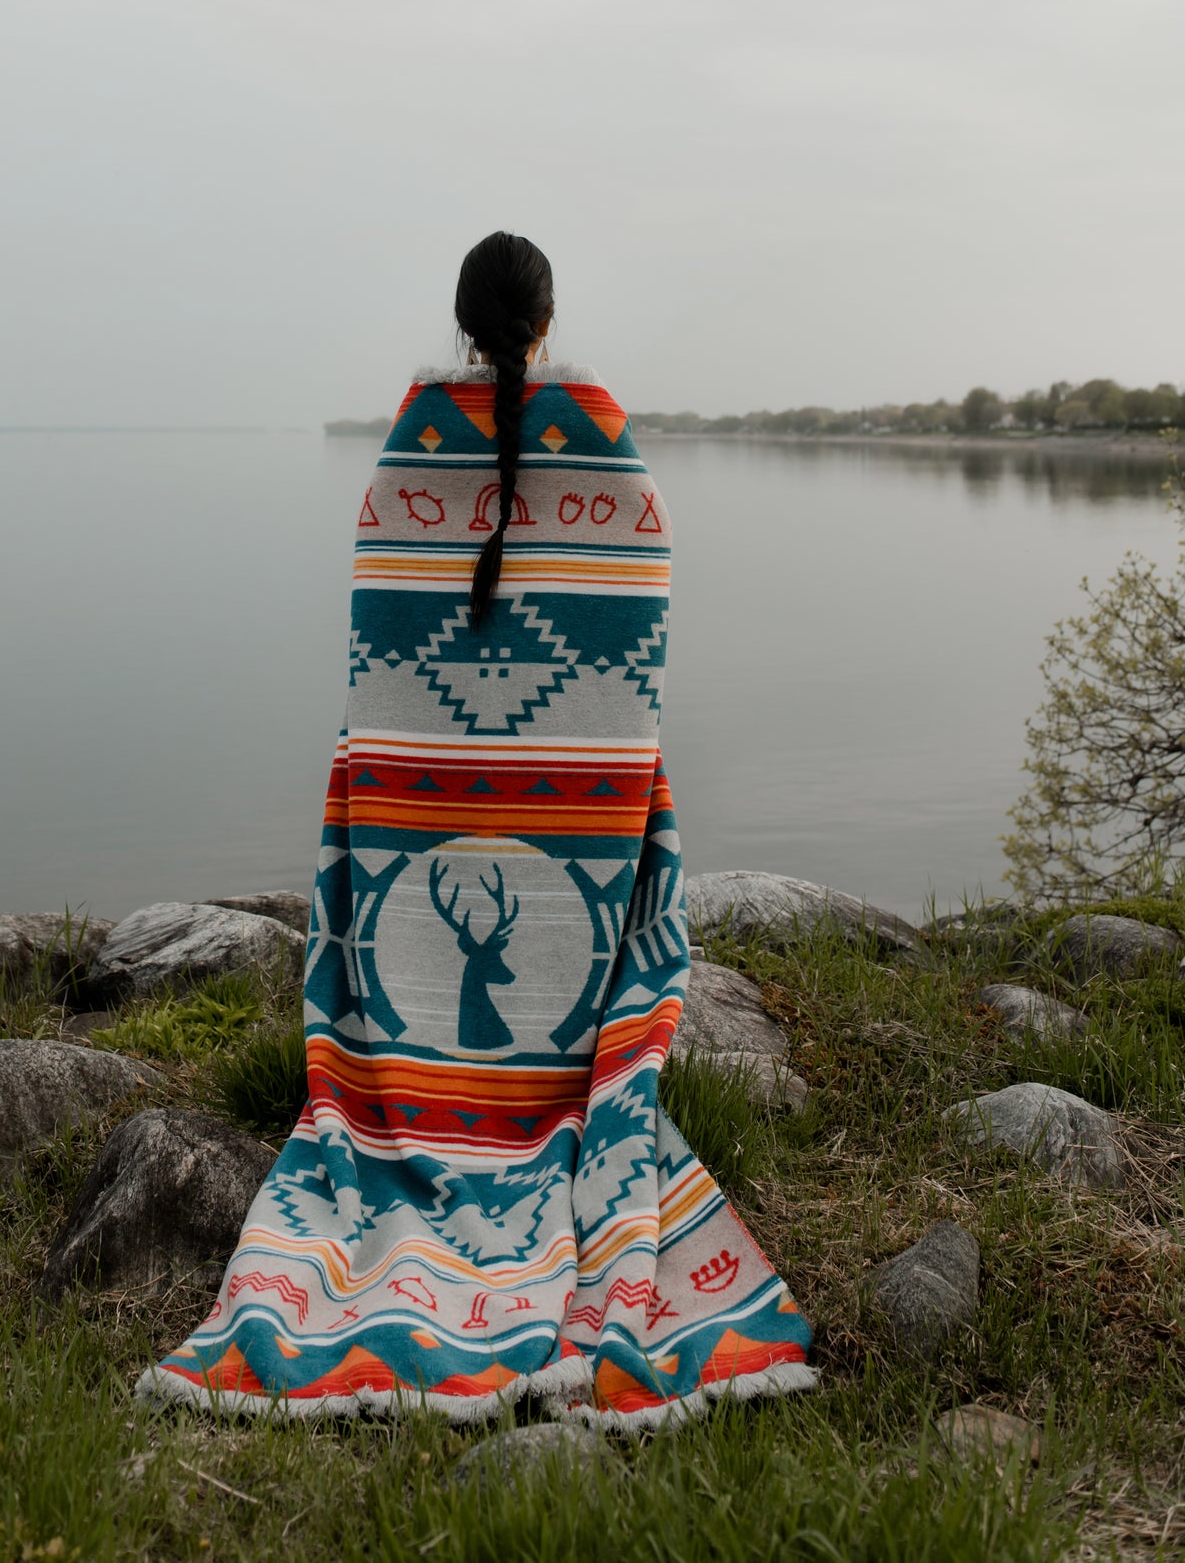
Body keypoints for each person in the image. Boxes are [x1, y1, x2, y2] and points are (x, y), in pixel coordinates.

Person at [139, 231, 813, 1427]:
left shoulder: (407, 461)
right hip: (577, 835)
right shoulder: (612, 452)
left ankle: (402, 1162)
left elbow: (379, 680)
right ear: (546, 319)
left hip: (419, 812)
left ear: (462, 321)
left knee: (359, 1092)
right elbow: (629, 678)